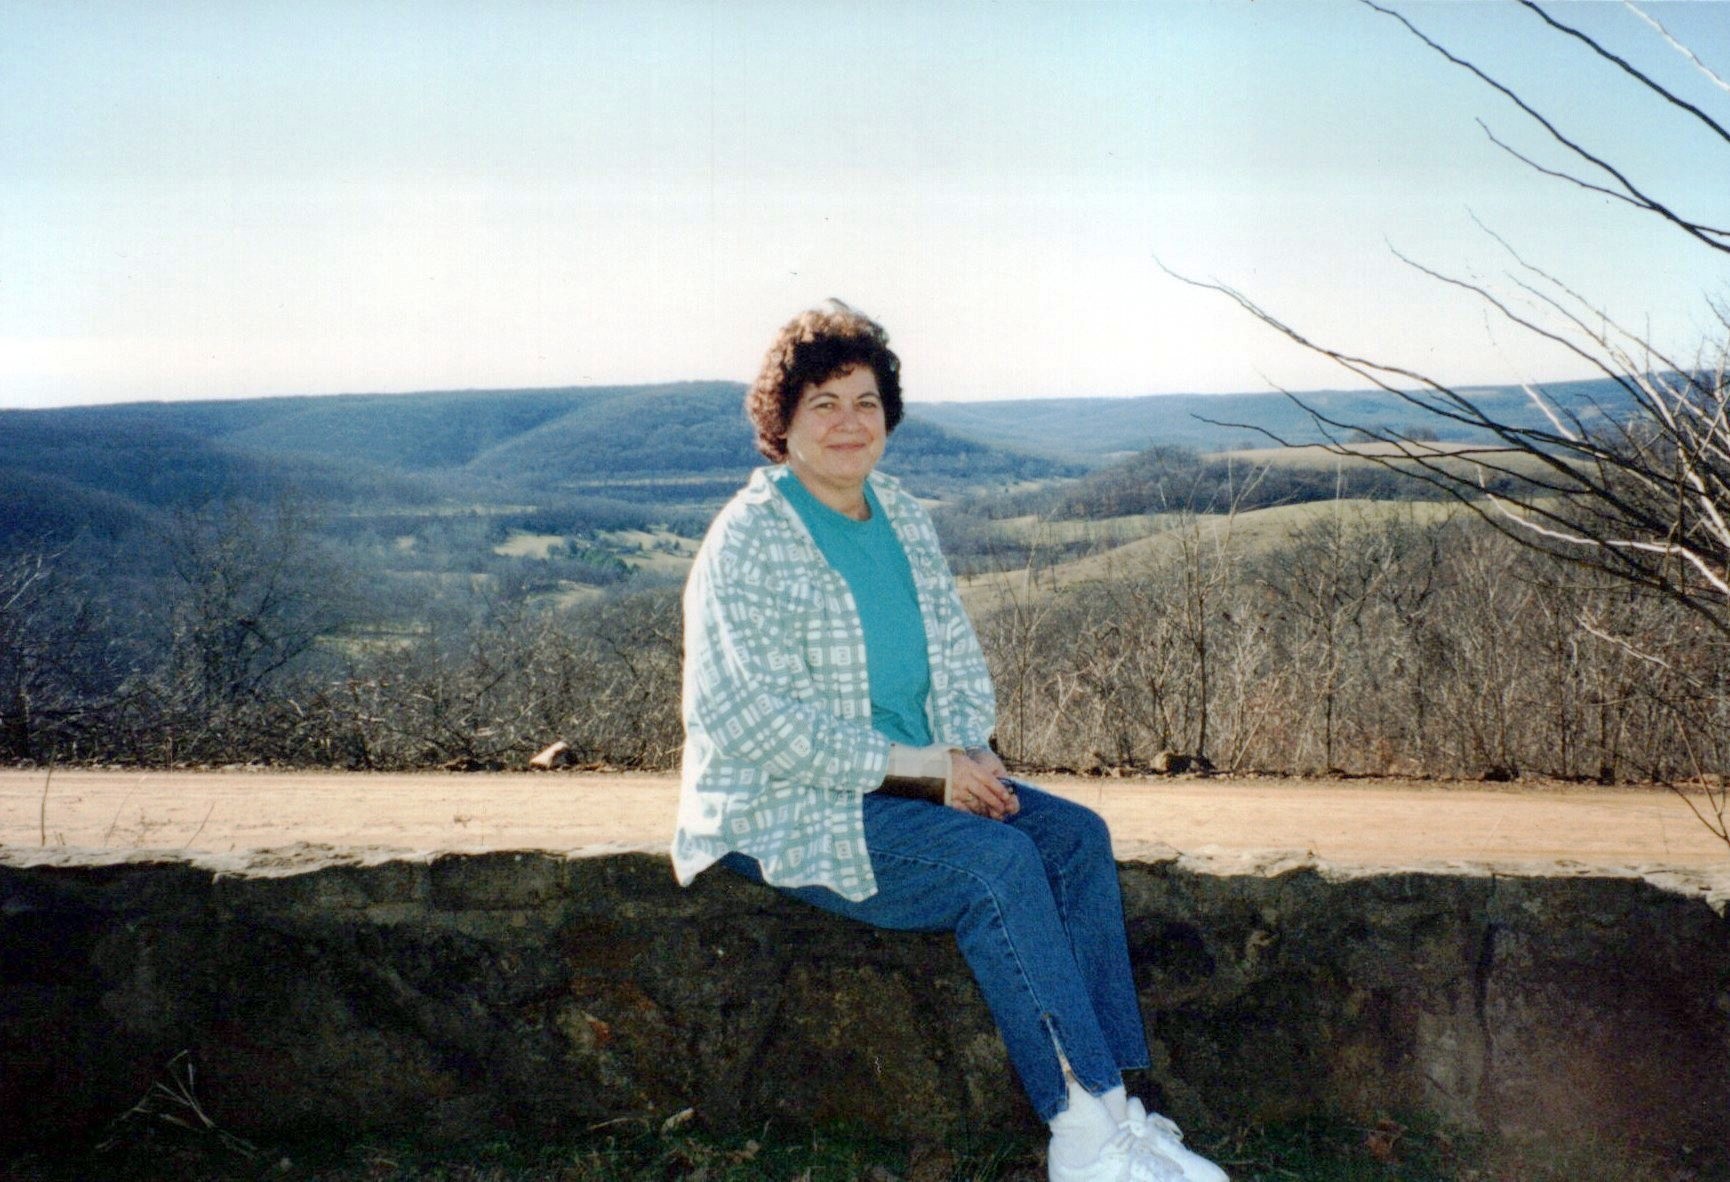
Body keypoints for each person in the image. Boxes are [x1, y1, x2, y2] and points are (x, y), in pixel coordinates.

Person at [671, 301, 1228, 1182]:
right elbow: (754, 722)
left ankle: (1120, 1107)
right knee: (996, 867)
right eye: (823, 403)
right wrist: (931, 772)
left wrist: (971, 750)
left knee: (1075, 838)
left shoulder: (898, 512)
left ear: (888, 415)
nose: (849, 422)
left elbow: (956, 655)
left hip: (915, 781)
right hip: (787, 803)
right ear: (782, 423)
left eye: (865, 401)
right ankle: (1080, 1133)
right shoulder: (749, 540)